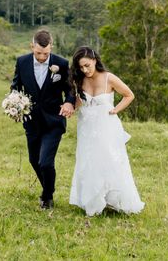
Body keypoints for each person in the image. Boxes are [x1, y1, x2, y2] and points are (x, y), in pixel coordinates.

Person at [68, 45, 145, 216]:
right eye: (81, 67)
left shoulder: (109, 78)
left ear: (95, 60)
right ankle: (93, 202)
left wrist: (116, 109)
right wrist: (69, 108)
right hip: (87, 127)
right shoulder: (80, 81)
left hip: (106, 126)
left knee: (110, 159)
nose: (85, 69)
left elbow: (129, 95)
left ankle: (115, 200)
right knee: (88, 161)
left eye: (87, 65)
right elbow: (79, 103)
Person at [9, 29, 76, 209]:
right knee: (33, 160)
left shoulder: (61, 64)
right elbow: (16, 86)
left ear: (51, 48)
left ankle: (47, 197)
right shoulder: (22, 62)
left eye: (45, 54)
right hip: (31, 121)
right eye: (38, 53)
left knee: (45, 162)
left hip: (54, 120)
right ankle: (49, 189)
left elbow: (70, 89)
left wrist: (69, 103)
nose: (41, 57)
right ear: (32, 46)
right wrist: (14, 103)